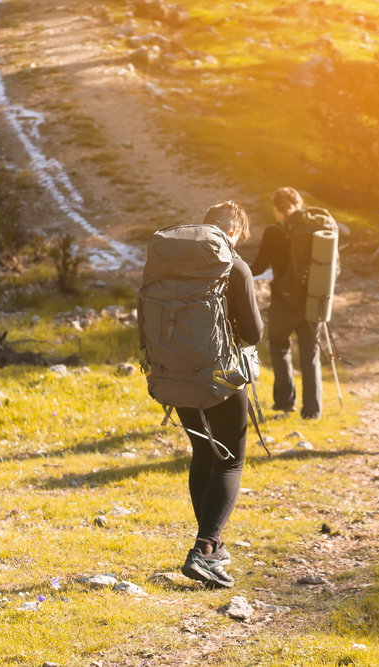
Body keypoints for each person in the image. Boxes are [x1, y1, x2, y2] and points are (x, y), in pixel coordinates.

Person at [169, 201, 263, 589]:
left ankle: (212, 547)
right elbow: (254, 333)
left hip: (175, 375)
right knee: (230, 461)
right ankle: (204, 549)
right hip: (220, 377)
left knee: (204, 453)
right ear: (236, 232)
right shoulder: (235, 267)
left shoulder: (173, 266)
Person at [249, 187, 323, 419]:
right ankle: (312, 411)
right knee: (310, 352)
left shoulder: (274, 232)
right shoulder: (316, 228)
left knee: (280, 346)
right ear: (299, 204)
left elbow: (259, 267)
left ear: (276, 209)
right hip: (313, 302)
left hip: (284, 303)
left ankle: (285, 402)